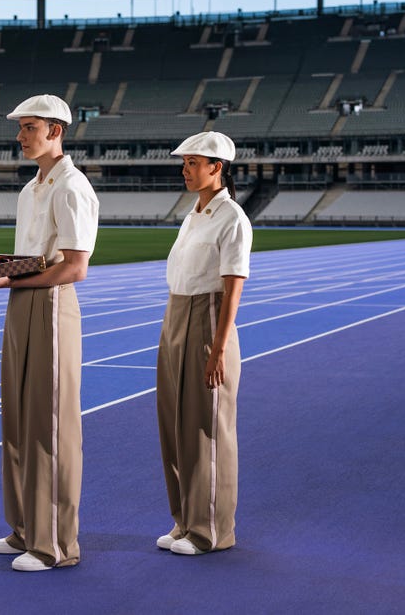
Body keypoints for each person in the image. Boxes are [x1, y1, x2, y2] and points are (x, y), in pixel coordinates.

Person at [0, 94, 99, 571]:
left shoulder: (71, 187)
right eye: (21, 128)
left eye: (29, 127)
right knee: (19, 421)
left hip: (51, 304)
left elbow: (75, 268)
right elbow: (31, 257)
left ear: (56, 131)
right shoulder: (30, 189)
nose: (20, 136)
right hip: (21, 303)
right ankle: (25, 528)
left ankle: (56, 545)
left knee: (50, 426)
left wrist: (11, 278)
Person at [155, 131, 252, 555]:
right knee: (175, 426)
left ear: (217, 167)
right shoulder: (194, 214)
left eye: (193, 162)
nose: (186, 169)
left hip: (207, 317)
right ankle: (184, 520)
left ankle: (211, 529)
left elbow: (232, 289)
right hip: (176, 314)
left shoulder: (232, 218)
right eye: (185, 163)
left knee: (206, 429)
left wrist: (217, 350)